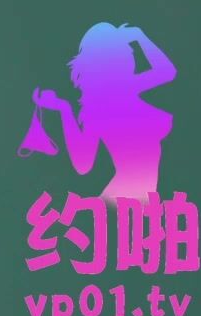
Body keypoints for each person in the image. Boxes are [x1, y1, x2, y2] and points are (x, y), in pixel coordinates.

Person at [31, 21, 177, 202]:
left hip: (130, 199)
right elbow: (83, 165)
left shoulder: (118, 93)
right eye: (126, 53)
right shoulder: (111, 98)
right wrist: (139, 36)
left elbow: (167, 72)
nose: (131, 58)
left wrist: (139, 36)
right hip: (124, 199)